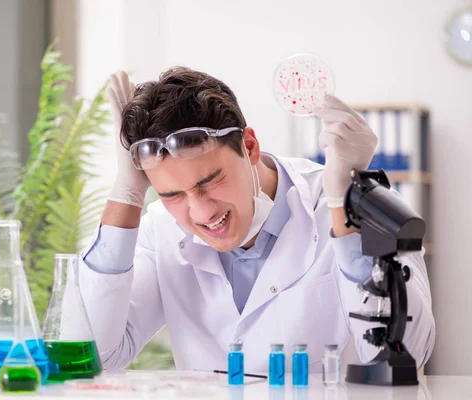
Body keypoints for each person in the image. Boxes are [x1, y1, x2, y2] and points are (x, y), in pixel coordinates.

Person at [74, 67, 435, 374]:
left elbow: (407, 354)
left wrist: (345, 207)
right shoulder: (161, 229)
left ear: (249, 147)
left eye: (210, 181)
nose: (202, 213)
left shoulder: (339, 207)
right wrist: (127, 193)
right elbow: (96, 355)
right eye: (173, 195)